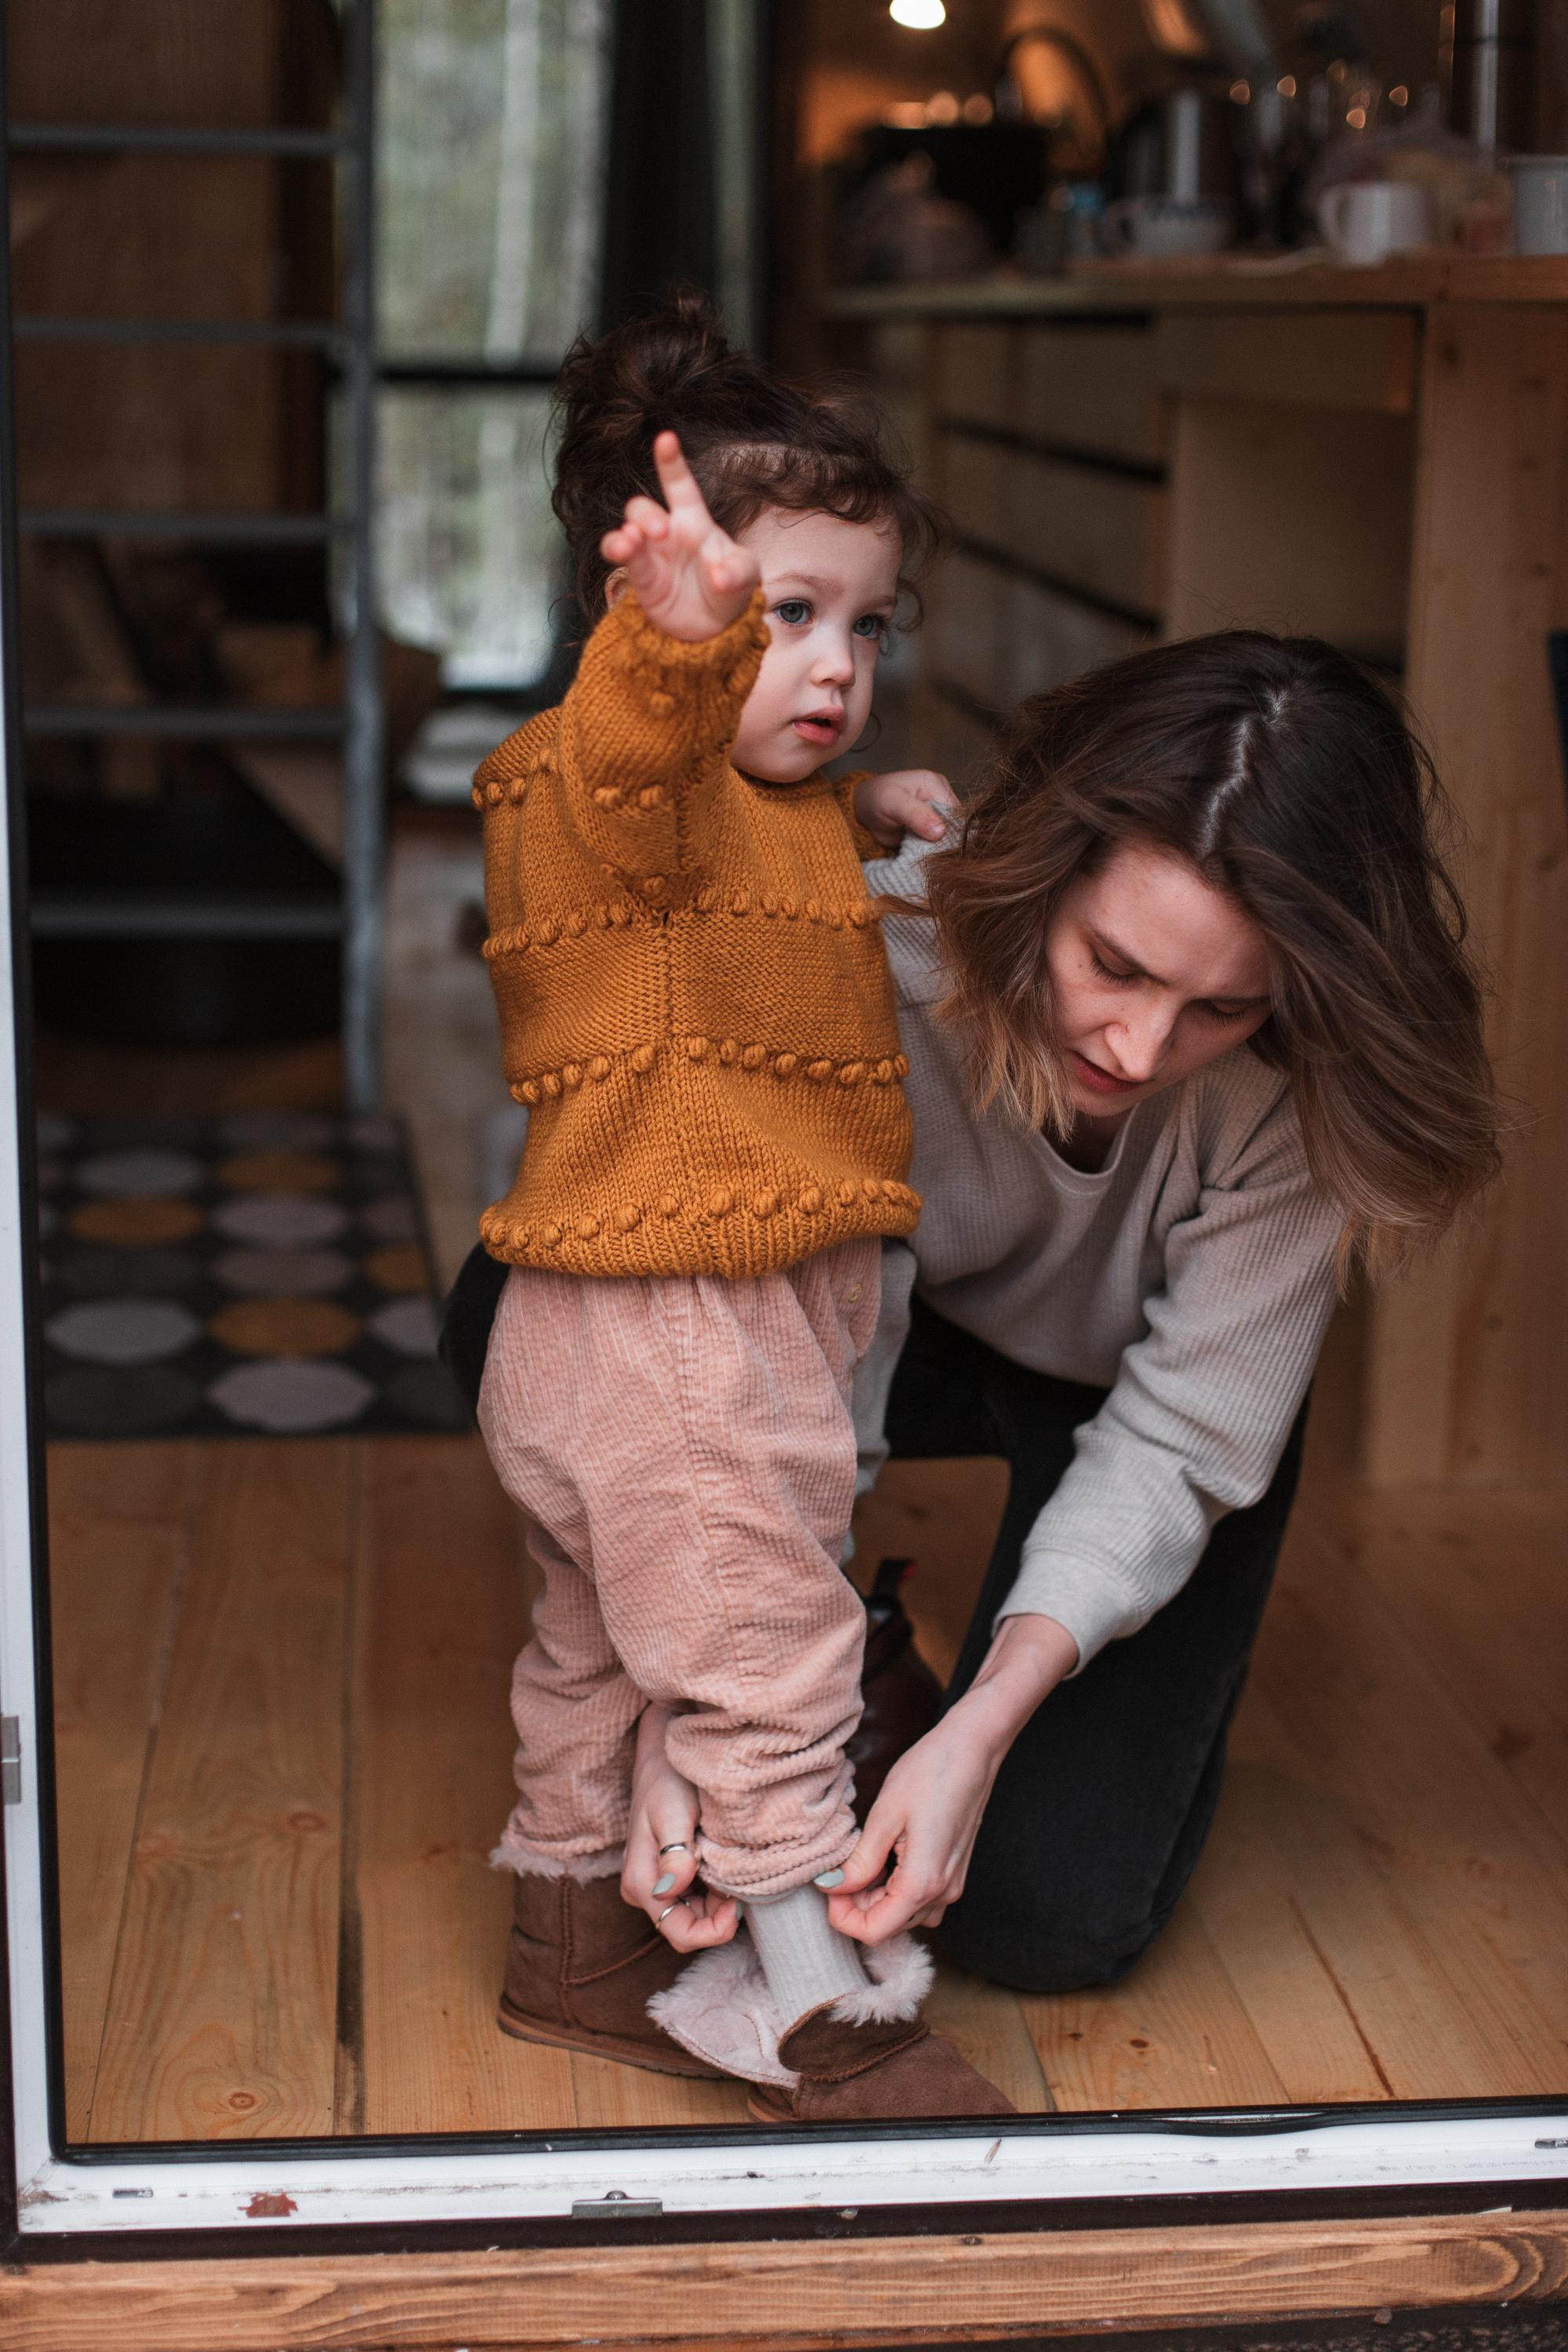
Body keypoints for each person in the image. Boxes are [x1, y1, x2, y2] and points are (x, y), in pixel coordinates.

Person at [619, 626, 1499, 2010]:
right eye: (1115, 965)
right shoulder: (871, 960)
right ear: (1040, 869)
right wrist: (698, 1699)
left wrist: (981, 1728)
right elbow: (783, 1375)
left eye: (1220, 1007)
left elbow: (1184, 1434)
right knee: (545, 1302)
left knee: (1041, 1922)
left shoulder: (1305, 1082)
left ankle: (913, 1686)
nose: (1139, 1052)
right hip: (848, 1339)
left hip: (1141, 1396)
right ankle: (835, 1649)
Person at [467, 293, 1008, 2123]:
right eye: (789, 616)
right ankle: (810, 2004)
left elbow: (739, 852)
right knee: (772, 1655)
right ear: (658, 612)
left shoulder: (768, 800)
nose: (835, 660)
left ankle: (573, 1941)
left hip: (662, 1321)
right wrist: (678, 647)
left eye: (866, 624)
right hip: (670, 1325)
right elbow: (640, 771)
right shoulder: (586, 767)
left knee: (613, 1648)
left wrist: (866, 810)